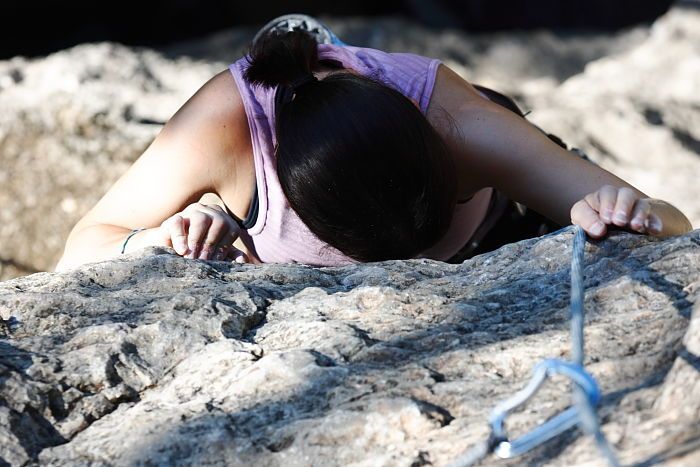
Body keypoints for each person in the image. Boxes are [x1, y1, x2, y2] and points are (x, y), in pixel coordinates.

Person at [55, 14, 693, 271]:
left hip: (495, 239)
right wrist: (158, 239)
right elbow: (83, 244)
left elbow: (673, 226)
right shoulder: (224, 132)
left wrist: (614, 218)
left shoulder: (464, 126)